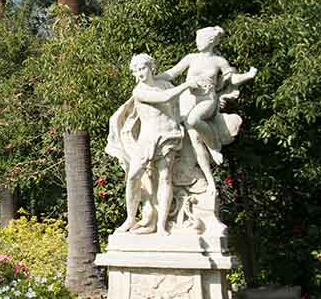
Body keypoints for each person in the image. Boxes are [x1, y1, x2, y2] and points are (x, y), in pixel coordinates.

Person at [156, 26, 256, 194]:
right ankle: (210, 183)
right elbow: (172, 73)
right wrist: (153, 80)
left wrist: (248, 75)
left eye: (200, 39)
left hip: (207, 100)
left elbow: (232, 78)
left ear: (210, 41)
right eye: (196, 39)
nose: (197, 43)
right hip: (187, 99)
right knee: (195, 141)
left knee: (193, 120)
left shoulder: (219, 61)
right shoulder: (191, 58)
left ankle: (214, 145)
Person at [107, 54, 196, 235]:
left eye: (143, 68)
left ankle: (161, 225)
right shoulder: (139, 91)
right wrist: (187, 84)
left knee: (165, 177)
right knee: (133, 176)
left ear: (151, 67)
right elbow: (164, 98)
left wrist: (194, 58)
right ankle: (130, 218)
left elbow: (175, 70)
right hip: (147, 139)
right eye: (136, 70)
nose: (140, 73)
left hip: (168, 135)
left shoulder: (163, 82)